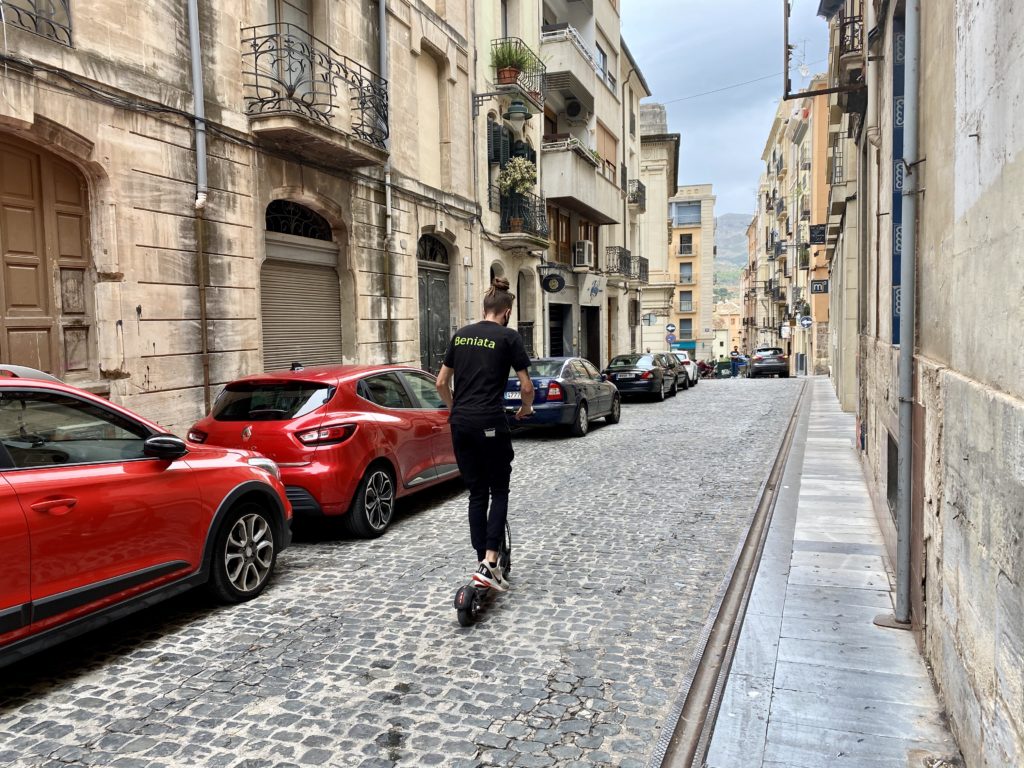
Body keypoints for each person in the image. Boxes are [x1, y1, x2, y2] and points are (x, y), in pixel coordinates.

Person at [435, 277, 534, 592]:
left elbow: (440, 383)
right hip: (490, 420)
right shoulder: (509, 337)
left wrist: (456, 408)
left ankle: (482, 561)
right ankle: (492, 560)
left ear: (484, 308)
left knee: (476, 493)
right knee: (499, 491)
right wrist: (524, 409)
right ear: (506, 312)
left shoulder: (461, 336)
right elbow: (527, 386)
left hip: (461, 423)